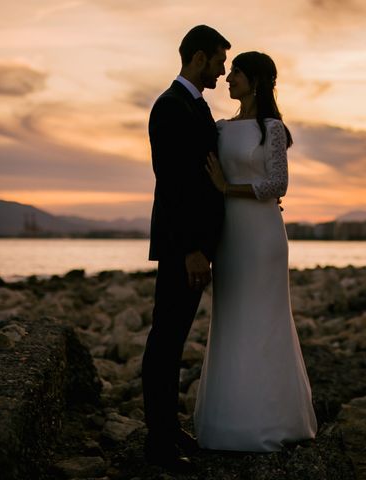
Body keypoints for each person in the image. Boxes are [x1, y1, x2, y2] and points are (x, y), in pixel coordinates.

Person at [195, 51, 318, 452]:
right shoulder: (219, 128)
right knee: (231, 316)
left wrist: (226, 188)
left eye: (236, 74)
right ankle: (227, 421)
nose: (228, 79)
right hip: (229, 236)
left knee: (265, 319)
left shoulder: (272, 129)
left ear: (256, 80)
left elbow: (278, 185)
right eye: (228, 72)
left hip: (263, 236)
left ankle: (273, 420)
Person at [142, 25, 230, 471]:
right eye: (218, 61)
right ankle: (159, 442)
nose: (222, 71)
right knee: (165, 340)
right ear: (198, 58)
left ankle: (167, 428)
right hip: (184, 247)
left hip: (195, 245)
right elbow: (174, 186)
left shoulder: (194, 106)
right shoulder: (171, 107)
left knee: (174, 339)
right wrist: (191, 249)